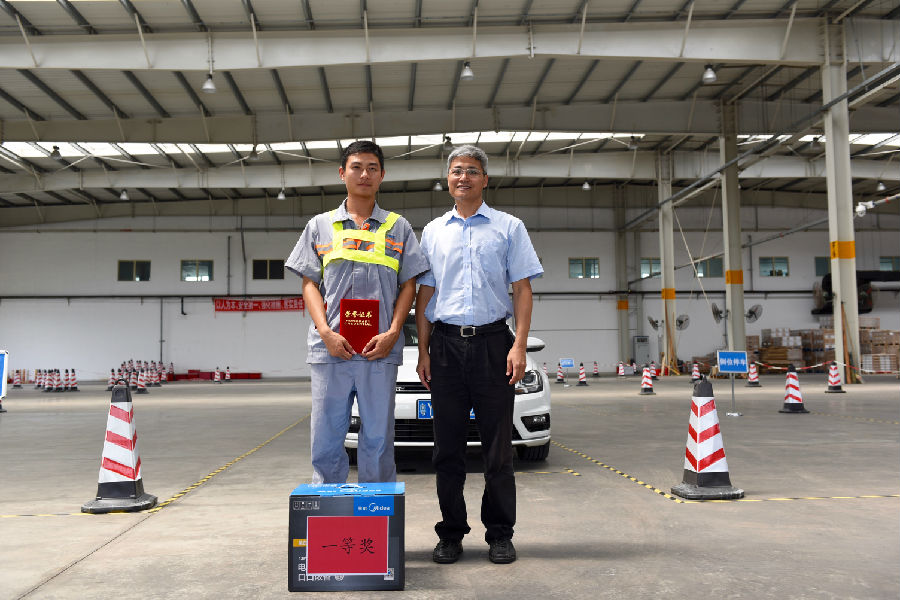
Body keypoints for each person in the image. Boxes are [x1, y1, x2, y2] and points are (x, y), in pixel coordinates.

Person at [415, 144, 543, 565]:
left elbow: (522, 289)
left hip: (493, 345)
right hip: (445, 346)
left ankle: (500, 534)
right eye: (456, 170)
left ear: (485, 179)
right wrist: (424, 351)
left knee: (498, 450)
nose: (463, 177)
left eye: (472, 171)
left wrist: (518, 345)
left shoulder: (509, 227)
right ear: (447, 179)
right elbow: (425, 293)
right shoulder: (433, 231)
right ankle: (451, 534)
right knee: (447, 450)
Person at [285, 140, 429, 484]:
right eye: (357, 167)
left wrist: (393, 332)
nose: (364, 174)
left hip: (379, 349)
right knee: (326, 434)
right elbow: (309, 284)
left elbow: (409, 285)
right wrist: (326, 333)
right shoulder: (320, 226)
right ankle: (328, 502)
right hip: (331, 349)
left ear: (382, 175)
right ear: (342, 173)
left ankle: (376, 506)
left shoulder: (398, 227)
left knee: (378, 436)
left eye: (372, 168)